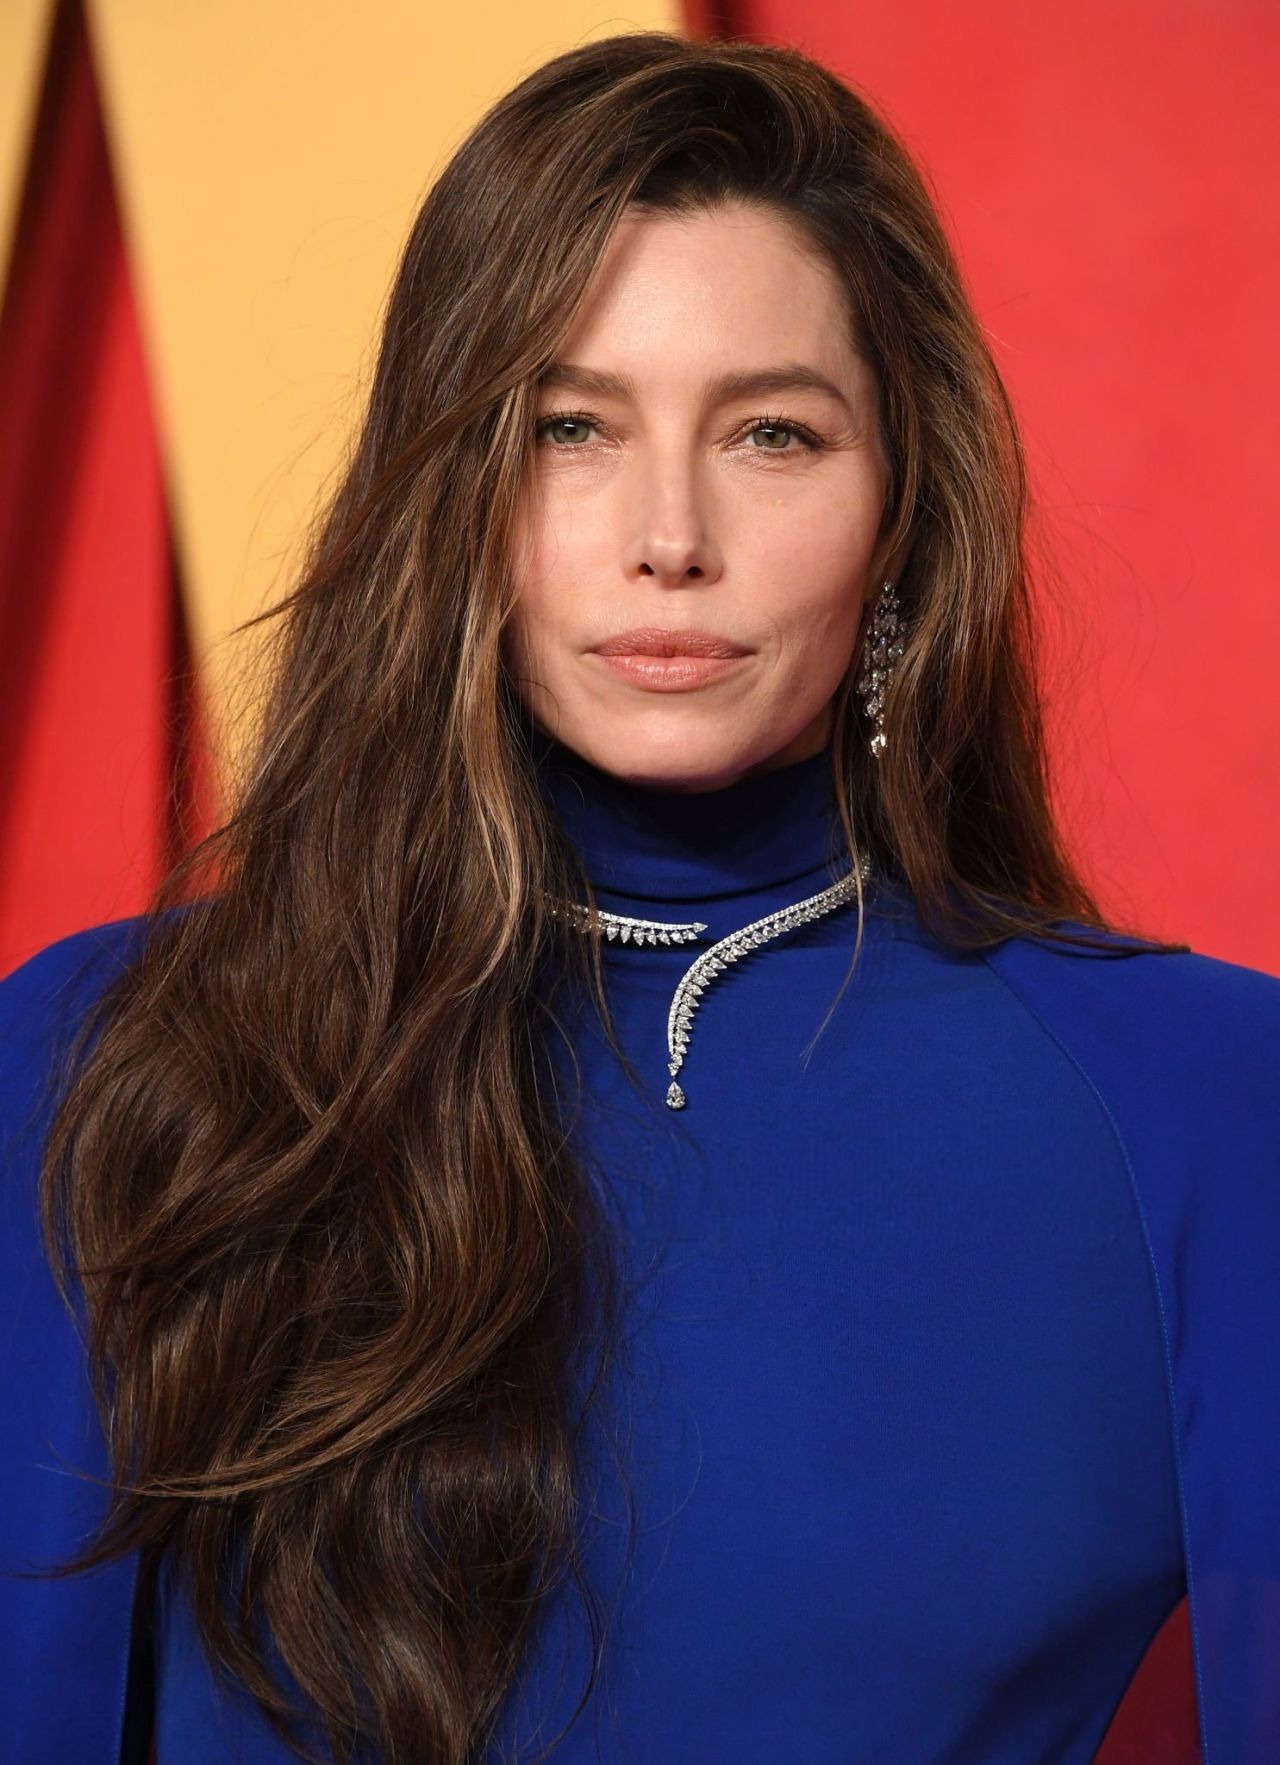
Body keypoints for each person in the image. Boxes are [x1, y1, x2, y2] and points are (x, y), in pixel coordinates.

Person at [0, 28, 1276, 1765]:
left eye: (771, 433)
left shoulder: (1211, 1109)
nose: (669, 534)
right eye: (570, 428)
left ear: (903, 507)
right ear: (451, 491)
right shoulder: (99, 1066)